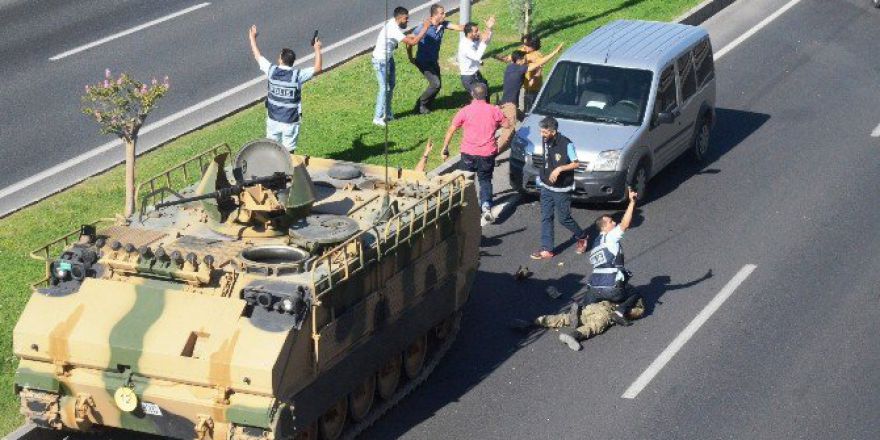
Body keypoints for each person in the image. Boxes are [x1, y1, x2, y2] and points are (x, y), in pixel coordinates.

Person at [441, 83, 509, 222]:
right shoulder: (493, 110)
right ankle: (486, 205)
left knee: (465, 181)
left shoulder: (465, 111)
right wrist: (498, 115)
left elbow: (451, 129)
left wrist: (445, 148)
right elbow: (507, 125)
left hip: (468, 153)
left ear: (472, 94)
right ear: (486, 94)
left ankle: (463, 208)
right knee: (485, 180)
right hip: (487, 153)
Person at [248, 25, 322, 152]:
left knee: (272, 150)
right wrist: (317, 49)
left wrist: (252, 38)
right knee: (289, 154)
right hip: (290, 122)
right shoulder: (297, 76)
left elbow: (257, 56)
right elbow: (318, 68)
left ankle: (273, 165)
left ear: (281, 60)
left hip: (273, 120)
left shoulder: (271, 71)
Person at [528, 117, 589, 260]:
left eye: (544, 132)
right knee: (546, 217)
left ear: (553, 131)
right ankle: (547, 249)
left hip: (561, 189)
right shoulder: (545, 139)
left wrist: (559, 169)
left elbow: (576, 164)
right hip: (546, 186)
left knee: (564, 219)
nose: (541, 134)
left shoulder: (567, 144)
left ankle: (582, 236)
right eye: (540, 131)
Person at [580, 187, 642, 327]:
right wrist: (632, 202)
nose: (614, 223)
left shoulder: (596, 244)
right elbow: (625, 224)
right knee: (634, 293)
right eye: (611, 222)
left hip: (594, 288)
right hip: (612, 288)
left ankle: (580, 312)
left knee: (588, 303)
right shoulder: (610, 237)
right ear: (603, 227)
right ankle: (620, 312)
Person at [496, 44, 563, 152]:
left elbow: (530, 81)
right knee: (508, 130)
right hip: (510, 106)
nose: (526, 61)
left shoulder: (510, 67)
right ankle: (493, 153)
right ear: (519, 60)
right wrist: (554, 52)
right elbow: (539, 63)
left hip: (505, 103)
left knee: (526, 119)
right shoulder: (520, 69)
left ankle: (523, 135)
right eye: (524, 59)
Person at [511, 299, 646, 351]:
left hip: (597, 305)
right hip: (608, 312)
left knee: (566, 318)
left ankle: (535, 321)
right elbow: (636, 312)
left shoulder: (621, 287)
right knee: (594, 327)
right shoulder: (635, 302)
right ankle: (574, 335)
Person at [372, 7, 430, 127]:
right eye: (406, 18)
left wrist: (415, 33)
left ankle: (388, 113)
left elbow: (406, 38)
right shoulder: (393, 29)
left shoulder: (394, 24)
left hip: (388, 58)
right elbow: (412, 42)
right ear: (399, 18)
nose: (407, 21)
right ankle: (377, 118)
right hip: (380, 61)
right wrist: (425, 28)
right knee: (384, 88)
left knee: (391, 85)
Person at [407, 5, 464, 114]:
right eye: (442, 13)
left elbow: (459, 27)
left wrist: (472, 29)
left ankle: (426, 105)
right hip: (423, 61)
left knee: (438, 85)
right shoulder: (423, 27)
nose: (444, 15)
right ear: (434, 15)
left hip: (433, 60)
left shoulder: (443, 24)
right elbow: (410, 40)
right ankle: (420, 105)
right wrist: (410, 57)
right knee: (435, 84)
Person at [457, 16, 495, 94]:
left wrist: (489, 28)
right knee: (480, 96)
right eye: (476, 31)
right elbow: (477, 56)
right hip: (469, 78)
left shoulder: (473, 40)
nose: (478, 32)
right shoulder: (465, 45)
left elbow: (486, 41)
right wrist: (483, 41)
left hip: (476, 74)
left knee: (486, 91)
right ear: (469, 34)